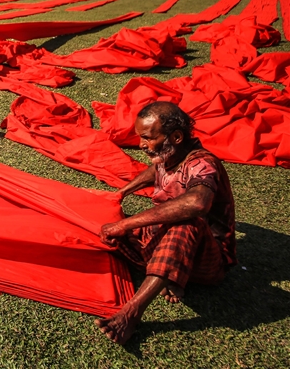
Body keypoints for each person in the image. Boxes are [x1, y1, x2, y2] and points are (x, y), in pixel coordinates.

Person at [95, 101, 236, 344]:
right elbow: (156, 171)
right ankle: (172, 276)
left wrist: (126, 225)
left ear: (177, 136)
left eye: (148, 138)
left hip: (207, 259)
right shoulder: (168, 155)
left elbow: (197, 203)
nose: (141, 145)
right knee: (109, 232)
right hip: (174, 247)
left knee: (185, 223)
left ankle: (132, 312)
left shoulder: (202, 164)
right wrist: (121, 193)